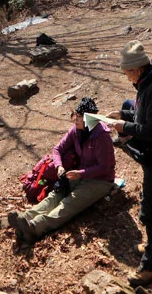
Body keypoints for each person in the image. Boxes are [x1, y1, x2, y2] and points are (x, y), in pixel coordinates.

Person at [106, 41, 152, 286]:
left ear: (136, 69)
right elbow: (145, 116)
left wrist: (124, 127)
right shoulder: (148, 83)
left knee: (150, 208)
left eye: (126, 72)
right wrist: (124, 115)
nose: (126, 76)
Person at [9, 98, 116, 245]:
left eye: (80, 117)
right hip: (79, 173)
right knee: (57, 193)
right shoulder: (76, 130)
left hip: (100, 180)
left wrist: (80, 173)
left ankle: (35, 228)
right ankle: (25, 218)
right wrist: (59, 166)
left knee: (69, 202)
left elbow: (105, 167)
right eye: (76, 116)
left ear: (89, 119)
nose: (76, 120)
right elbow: (57, 149)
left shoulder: (101, 136)